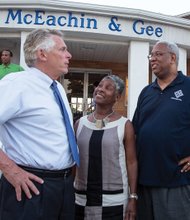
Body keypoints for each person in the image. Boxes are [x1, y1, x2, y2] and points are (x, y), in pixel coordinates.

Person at [0, 28, 78, 220]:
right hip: (30, 187)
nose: (69, 55)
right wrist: (9, 169)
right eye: (62, 49)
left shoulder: (57, 87)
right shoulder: (16, 83)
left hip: (63, 186)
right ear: (42, 54)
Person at [132, 41, 190, 220]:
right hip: (144, 180)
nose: (152, 59)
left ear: (173, 57)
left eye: (158, 54)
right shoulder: (146, 92)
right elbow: (136, 130)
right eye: (151, 55)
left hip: (176, 180)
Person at [74, 75, 138, 220]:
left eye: (108, 88)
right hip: (81, 197)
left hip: (114, 199)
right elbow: (73, 159)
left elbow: (132, 162)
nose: (100, 89)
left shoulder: (125, 125)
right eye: (100, 85)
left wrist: (133, 197)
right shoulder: (80, 124)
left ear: (117, 97)